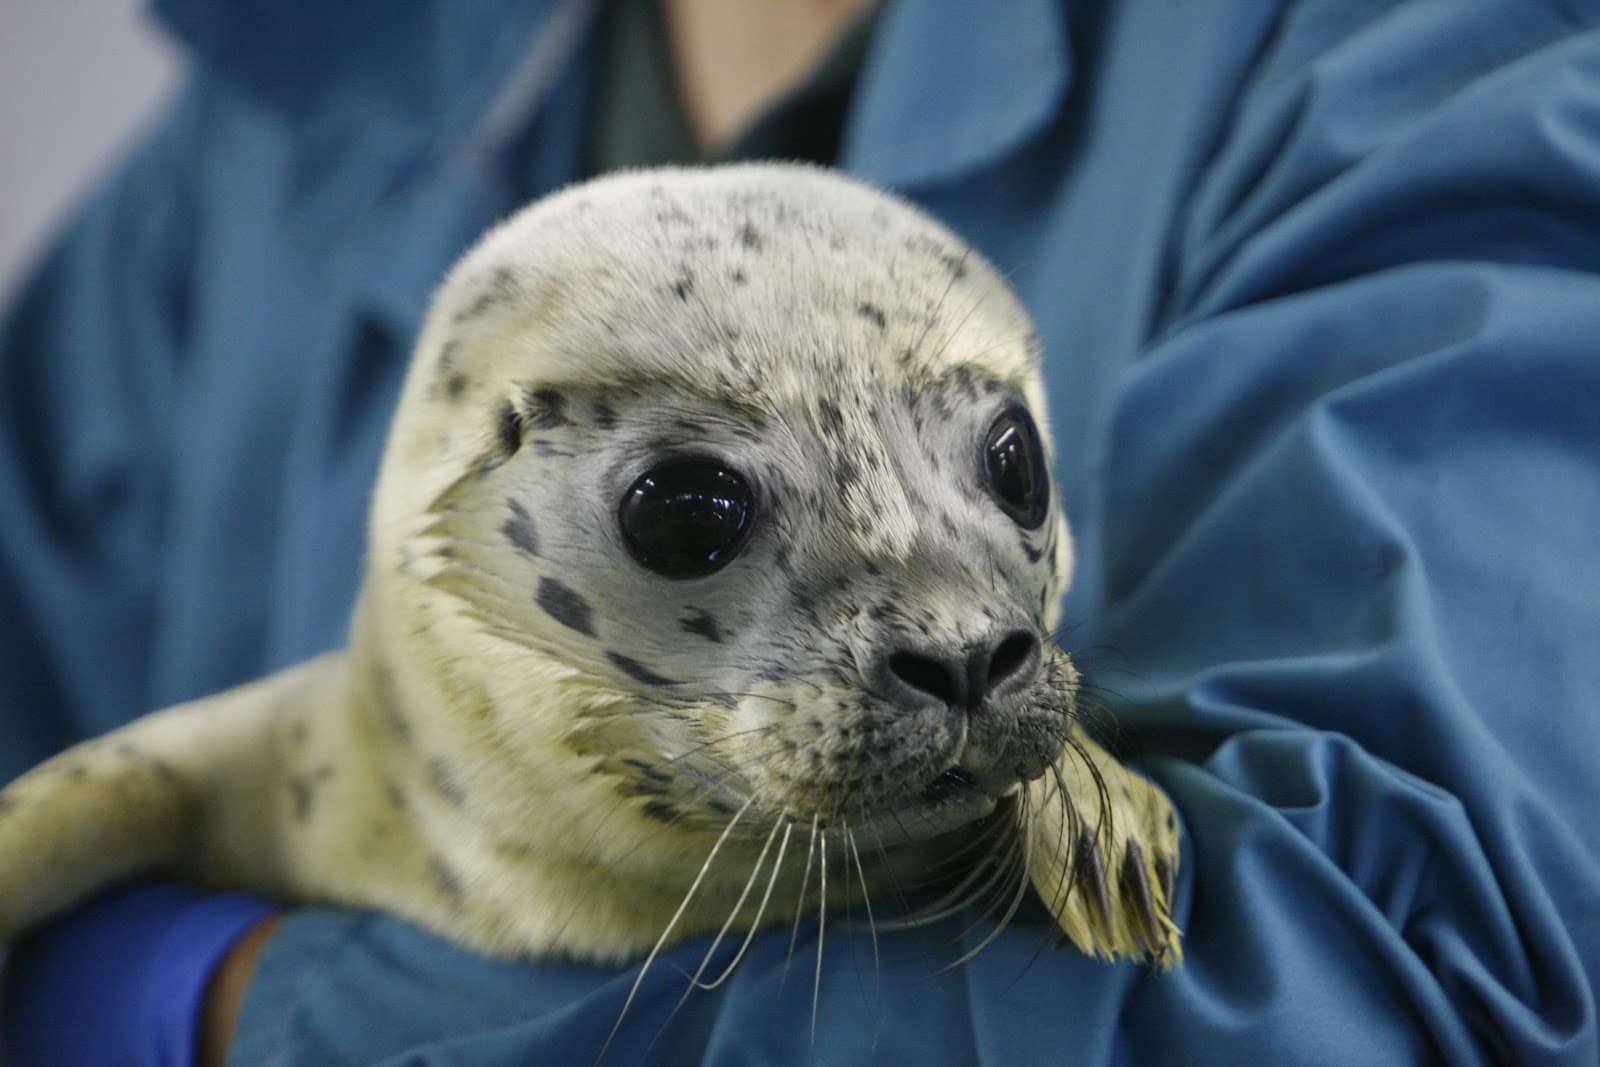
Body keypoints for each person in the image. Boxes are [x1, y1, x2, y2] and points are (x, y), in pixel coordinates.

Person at [4, 0, 1598, 1062]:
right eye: (691, 514)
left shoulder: (1443, 61)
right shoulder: (271, 141)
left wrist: (231, 1012)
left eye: (1007, 472)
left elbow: (1386, 986)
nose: (965, 638)